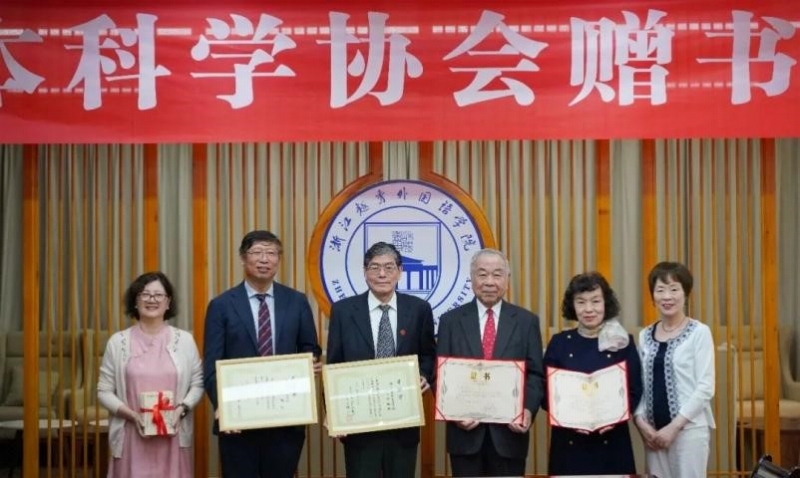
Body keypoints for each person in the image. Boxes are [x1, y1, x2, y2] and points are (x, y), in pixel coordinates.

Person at [203, 230, 322, 478]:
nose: (264, 259)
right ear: (243, 258)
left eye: (271, 253)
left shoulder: (297, 301)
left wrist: (309, 364)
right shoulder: (221, 305)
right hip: (238, 419)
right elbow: (212, 365)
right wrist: (223, 406)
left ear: (279, 259)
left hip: (285, 419)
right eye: (257, 252)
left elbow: (310, 348)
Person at [325, 241, 436, 478]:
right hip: (358, 424)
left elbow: (428, 354)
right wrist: (333, 412)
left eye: (389, 267)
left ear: (400, 271)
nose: (382, 274)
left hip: (404, 421)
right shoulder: (343, 311)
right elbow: (334, 365)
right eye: (374, 267)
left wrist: (424, 375)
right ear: (365, 272)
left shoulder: (419, 309)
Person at [436, 248, 545, 477]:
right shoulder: (450, 321)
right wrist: (454, 413)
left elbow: (535, 374)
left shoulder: (526, 322)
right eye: (482, 274)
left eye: (497, 274)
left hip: (510, 435)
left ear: (507, 279)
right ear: (471, 277)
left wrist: (527, 410)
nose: (489, 282)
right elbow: (439, 375)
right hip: (464, 436)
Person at [97, 271, 204, 478]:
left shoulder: (185, 340)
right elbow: (103, 391)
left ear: (168, 302)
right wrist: (132, 415)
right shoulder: (118, 342)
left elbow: (198, 383)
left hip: (173, 435)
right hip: (131, 435)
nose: (152, 300)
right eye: (145, 294)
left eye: (158, 295)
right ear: (135, 301)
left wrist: (181, 410)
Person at [543, 272, 643, 475]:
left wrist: (615, 418)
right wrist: (570, 419)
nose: (589, 309)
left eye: (596, 301)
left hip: (612, 441)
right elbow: (545, 394)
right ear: (572, 306)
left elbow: (634, 390)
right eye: (581, 302)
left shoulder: (622, 342)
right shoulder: (559, 343)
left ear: (606, 303)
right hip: (569, 442)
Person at [634, 261, 715, 478]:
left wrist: (674, 427)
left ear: (685, 294)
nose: (667, 296)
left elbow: (705, 387)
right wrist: (640, 422)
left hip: (688, 431)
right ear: (653, 297)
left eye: (674, 289)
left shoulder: (699, 332)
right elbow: (639, 385)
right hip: (653, 434)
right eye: (660, 290)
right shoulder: (644, 335)